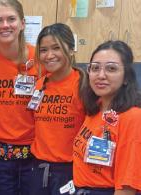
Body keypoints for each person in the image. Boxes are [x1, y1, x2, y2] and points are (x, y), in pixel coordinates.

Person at [0, 0, 44, 194]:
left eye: (11, 19)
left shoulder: (39, 59)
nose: (5, 25)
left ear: (22, 23)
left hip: (35, 154)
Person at [72, 40, 141, 195]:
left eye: (111, 68)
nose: (101, 75)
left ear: (126, 78)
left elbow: (127, 186)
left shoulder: (133, 117)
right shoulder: (96, 107)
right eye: (95, 68)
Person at [28, 23, 86, 195]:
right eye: (44, 50)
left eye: (56, 48)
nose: (49, 55)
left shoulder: (84, 85)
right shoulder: (40, 85)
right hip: (38, 168)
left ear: (70, 49)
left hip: (70, 170)